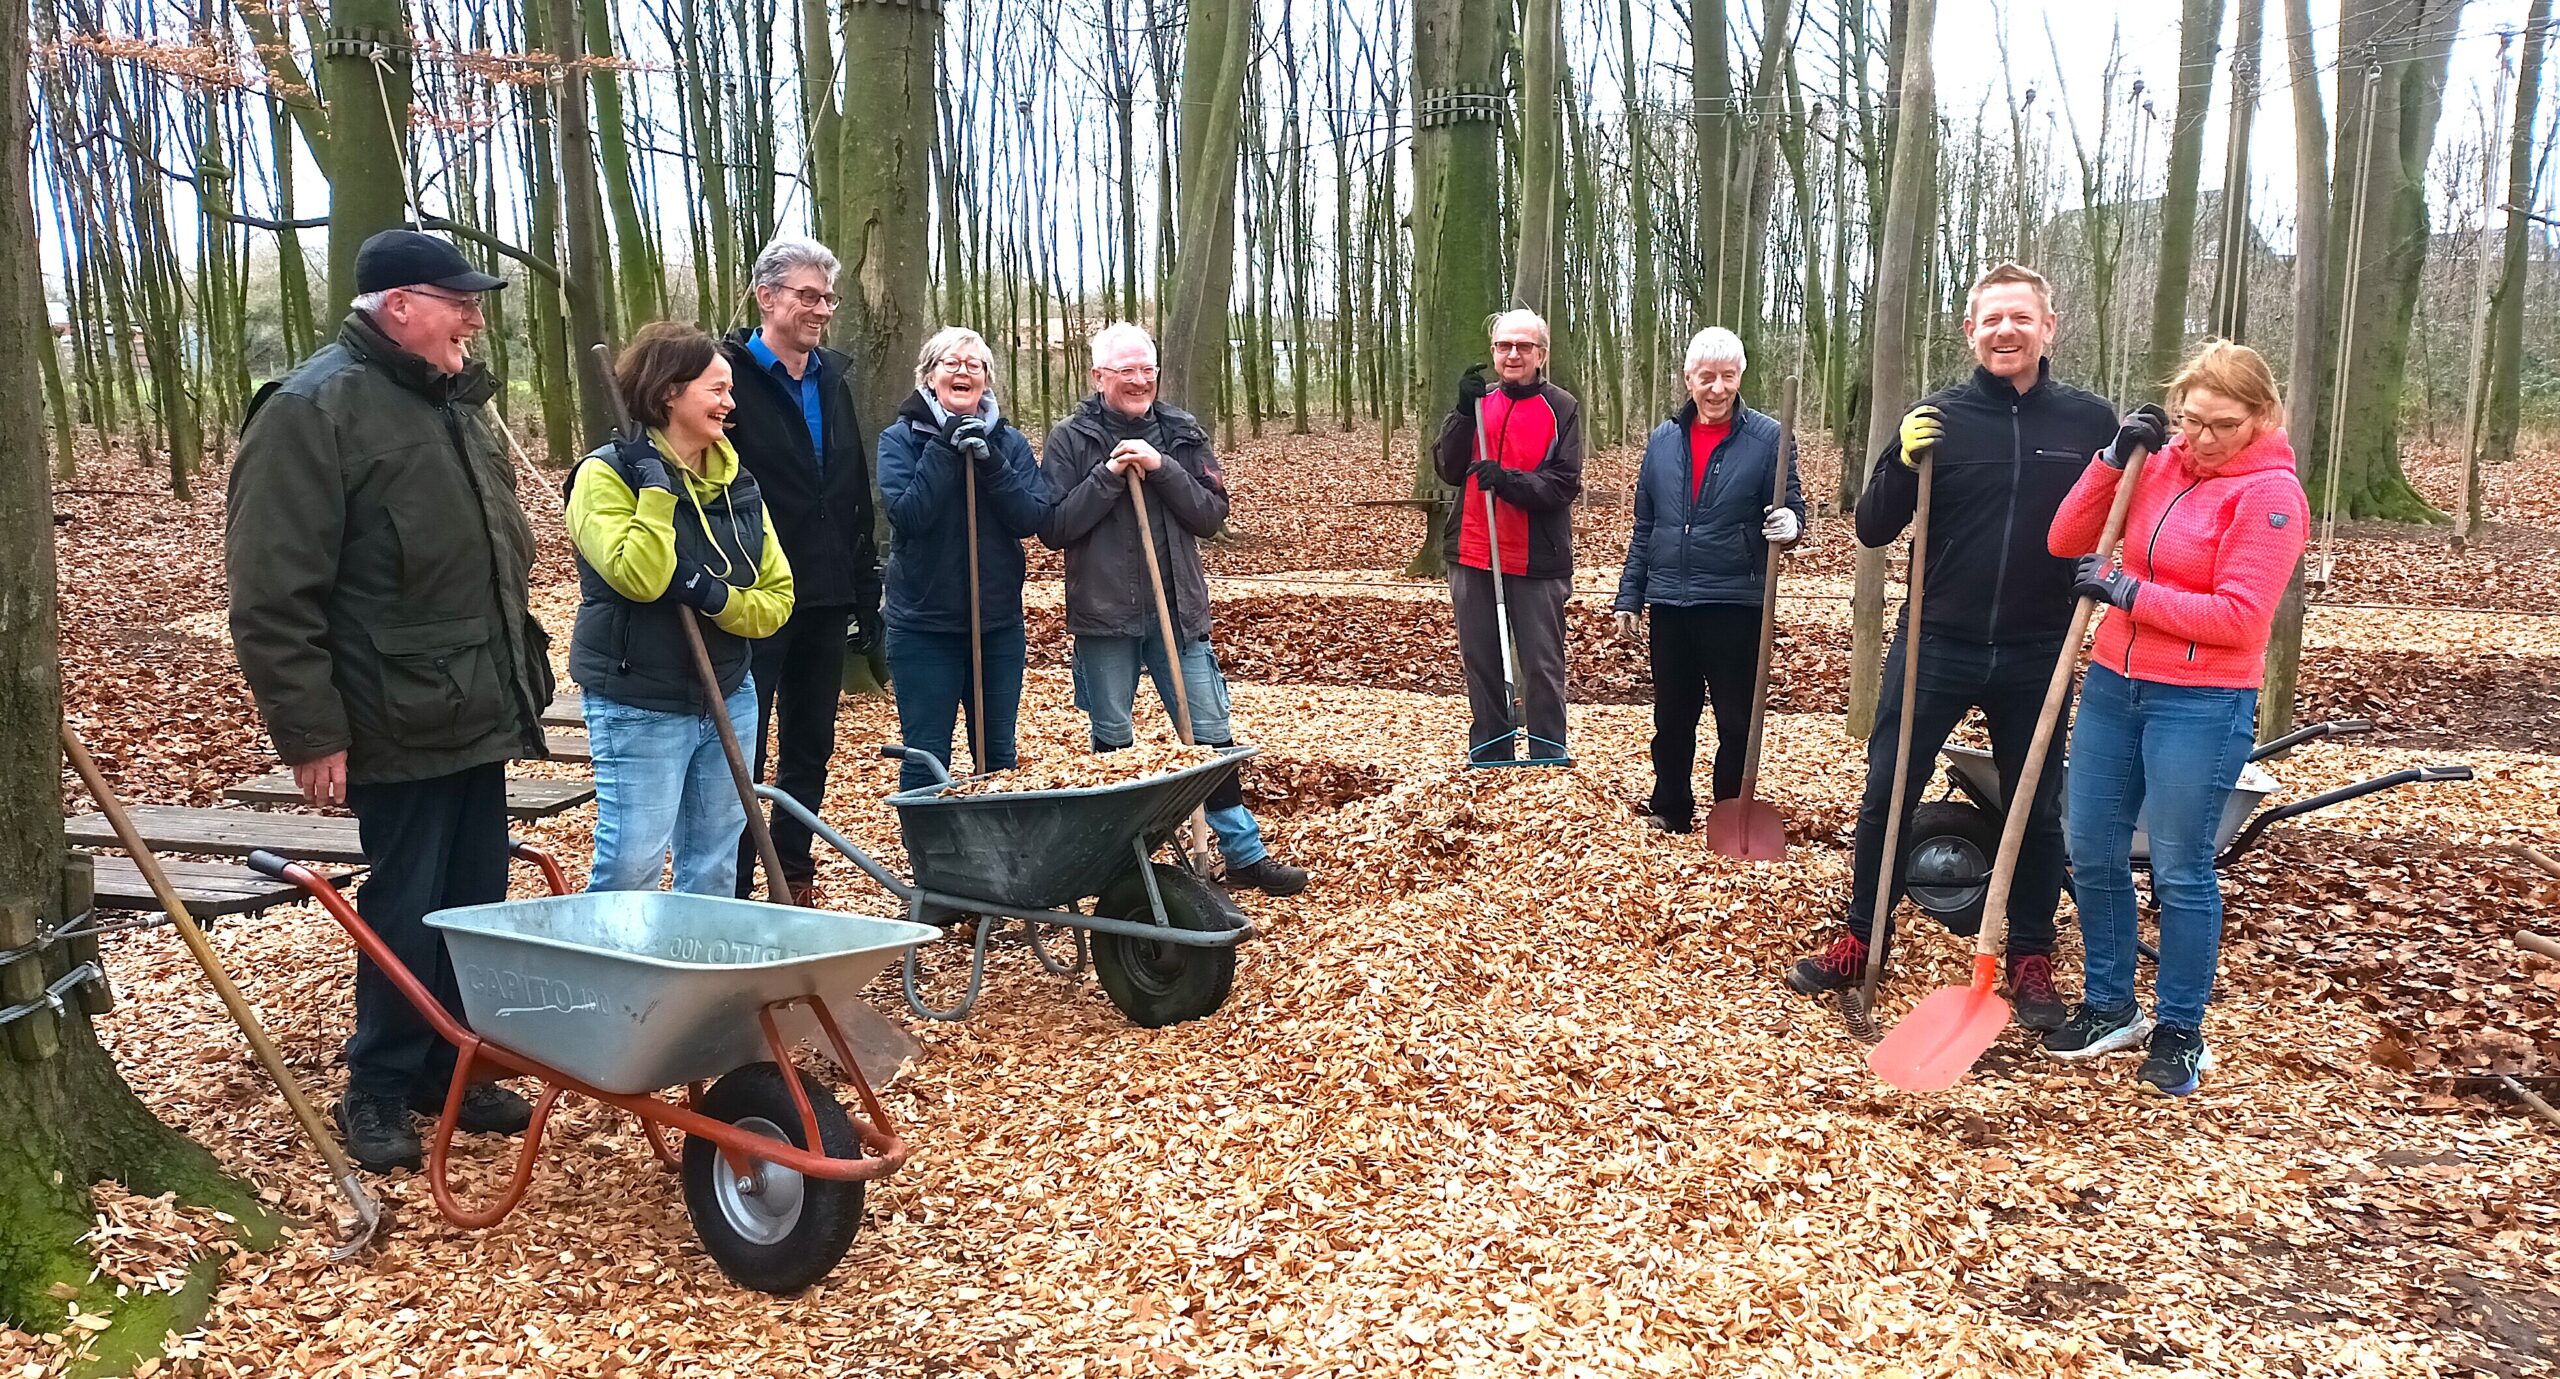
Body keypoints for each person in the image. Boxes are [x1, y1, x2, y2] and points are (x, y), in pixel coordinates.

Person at [227, 229, 550, 1172]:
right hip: (391, 711)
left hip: (476, 702)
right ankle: (376, 1082)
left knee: (473, 898)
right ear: (400, 306)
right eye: (460, 303)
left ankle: (449, 1065)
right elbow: (270, 594)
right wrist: (311, 731)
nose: (475, 320)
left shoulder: (457, 404)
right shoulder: (310, 409)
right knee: (405, 904)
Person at [1784, 262, 2118, 1032]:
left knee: (2035, 806)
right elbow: (1873, 525)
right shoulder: (1937, 416)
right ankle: (1863, 936)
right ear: (1970, 331)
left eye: (2021, 317)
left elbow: (2135, 507)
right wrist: (1902, 460)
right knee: (1887, 792)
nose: (2006, 330)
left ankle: (2029, 952)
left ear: (2048, 327)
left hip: (2038, 644)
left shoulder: (2087, 423)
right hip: (1937, 638)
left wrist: (2138, 448)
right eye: (1991, 319)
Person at [2040, 341, 2307, 1096]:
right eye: (2191, 420)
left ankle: (2181, 1028)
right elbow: (2066, 539)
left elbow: (2240, 617)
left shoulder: (2271, 496)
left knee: (2180, 867)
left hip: (2201, 699)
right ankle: (2110, 1004)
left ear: (2262, 415)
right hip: (2115, 683)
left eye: (2223, 424)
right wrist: (2110, 459)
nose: (2203, 438)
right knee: (2092, 849)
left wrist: (2128, 593)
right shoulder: (2157, 464)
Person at [1039, 323, 1312, 897]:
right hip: (1104, 615)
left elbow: (1210, 515)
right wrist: (1109, 476)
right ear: (1098, 377)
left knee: (1212, 736)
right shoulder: (1071, 438)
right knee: (1112, 743)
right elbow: (1056, 526)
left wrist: (1162, 467)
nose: (1140, 381)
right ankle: (1120, 865)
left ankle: (1243, 854)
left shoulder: (1182, 431)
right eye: (1126, 371)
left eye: (1148, 370)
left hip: (1178, 612)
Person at [566, 323, 795, 897]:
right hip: (640, 699)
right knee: (632, 865)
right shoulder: (606, 475)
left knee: (714, 864)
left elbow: (777, 600)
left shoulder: (736, 479)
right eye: (717, 389)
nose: (730, 403)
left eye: (730, 390)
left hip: (729, 690)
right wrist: (655, 491)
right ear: (669, 391)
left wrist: (715, 597)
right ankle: (611, 960)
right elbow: (640, 579)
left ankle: (699, 959)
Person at [719, 237, 882, 905]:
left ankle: (792, 872)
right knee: (743, 746)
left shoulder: (831, 379)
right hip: (752, 592)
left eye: (827, 298)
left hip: (824, 591)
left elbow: (850, 487)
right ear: (766, 297)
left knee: (811, 743)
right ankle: (733, 884)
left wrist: (863, 590)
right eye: (807, 296)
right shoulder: (726, 377)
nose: (820, 309)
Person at [1611, 326, 1805, 832]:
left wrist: (1790, 525)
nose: (1718, 389)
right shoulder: (1663, 440)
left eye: (1728, 376)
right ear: (1688, 379)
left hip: (1734, 600)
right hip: (1671, 601)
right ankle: (1670, 807)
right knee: (1672, 716)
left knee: (1736, 720)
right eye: (1707, 377)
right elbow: (1646, 525)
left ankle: (1730, 814)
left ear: (1740, 377)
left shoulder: (1769, 439)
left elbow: (1793, 508)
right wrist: (1630, 594)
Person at [877, 327, 1052, 791]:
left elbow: (1029, 517)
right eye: (951, 363)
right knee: (926, 758)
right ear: (929, 375)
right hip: (923, 627)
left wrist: (992, 463)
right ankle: (929, 839)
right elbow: (909, 515)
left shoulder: (1009, 443)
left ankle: (994, 839)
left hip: (996, 625)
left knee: (997, 756)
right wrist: (944, 447)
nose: (963, 372)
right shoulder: (900, 439)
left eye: (975, 365)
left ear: (987, 380)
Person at [1433, 308, 1585, 764]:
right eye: (1504, 346)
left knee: (1541, 665)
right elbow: (1449, 468)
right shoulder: (1479, 402)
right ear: (1494, 352)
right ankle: (1490, 756)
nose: (1513, 354)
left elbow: (1564, 483)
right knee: (1481, 661)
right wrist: (1463, 414)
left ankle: (1548, 757)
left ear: (1541, 354)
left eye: (1523, 346)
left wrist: (1509, 481)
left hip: (1536, 557)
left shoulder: (1562, 407)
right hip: (1473, 550)